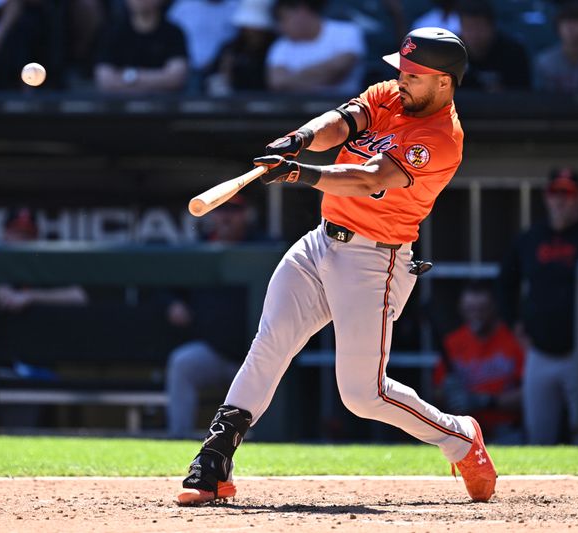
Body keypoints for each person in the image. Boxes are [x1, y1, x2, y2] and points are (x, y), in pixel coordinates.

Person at [177, 27, 497, 507]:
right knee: (271, 342)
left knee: (363, 395)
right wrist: (299, 139)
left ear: (444, 83)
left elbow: (371, 178)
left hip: (376, 261)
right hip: (320, 243)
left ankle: (460, 438)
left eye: (413, 75)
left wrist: (299, 172)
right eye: (402, 71)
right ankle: (215, 460)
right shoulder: (393, 94)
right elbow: (343, 121)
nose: (400, 80)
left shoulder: (440, 138)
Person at [498, 168, 578, 445]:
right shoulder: (530, 238)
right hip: (539, 351)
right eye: (555, 192)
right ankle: (540, 488)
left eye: (567, 193)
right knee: (538, 433)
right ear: (546, 197)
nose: (560, 200)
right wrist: (515, 324)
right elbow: (505, 283)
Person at [165, 195, 256, 438]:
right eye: (221, 210)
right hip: (214, 351)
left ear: (245, 214)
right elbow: (167, 288)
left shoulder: (260, 245)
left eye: (233, 210)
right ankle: (178, 438)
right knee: (182, 363)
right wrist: (174, 304)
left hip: (256, 354)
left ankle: (268, 441)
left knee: (278, 368)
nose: (226, 216)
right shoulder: (199, 249)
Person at [434, 283, 524, 443]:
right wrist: (448, 393)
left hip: (506, 429)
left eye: (482, 309)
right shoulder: (453, 343)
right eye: (470, 310)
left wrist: (487, 401)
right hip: (465, 432)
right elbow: (436, 392)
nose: (476, 316)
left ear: (493, 308)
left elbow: (527, 394)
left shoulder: (513, 341)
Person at [266, 0, 366, 96]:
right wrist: (323, 73)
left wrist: (293, 79)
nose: (281, 28)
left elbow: (339, 69)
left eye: (284, 19)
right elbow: (277, 82)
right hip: (296, 109)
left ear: (302, 11)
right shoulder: (281, 45)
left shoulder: (346, 31)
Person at [94, 0, 188, 94]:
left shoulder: (174, 34)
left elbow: (175, 78)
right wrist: (155, 80)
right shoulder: (112, 33)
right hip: (117, 105)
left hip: (166, 105)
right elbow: (105, 79)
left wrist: (130, 77)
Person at [204, 0, 277, 96]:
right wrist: (224, 75)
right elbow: (211, 77)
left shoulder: (274, 49)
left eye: (255, 26)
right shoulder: (230, 49)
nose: (250, 30)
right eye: (247, 26)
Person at [456, 0, 531, 92]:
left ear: (492, 26)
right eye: (468, 28)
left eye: (479, 27)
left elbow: (523, 95)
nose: (474, 34)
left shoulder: (513, 52)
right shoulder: (452, 53)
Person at [167, 0, 239, 93]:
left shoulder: (235, 7)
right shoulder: (183, 6)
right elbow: (168, 35)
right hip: (188, 71)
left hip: (220, 73)